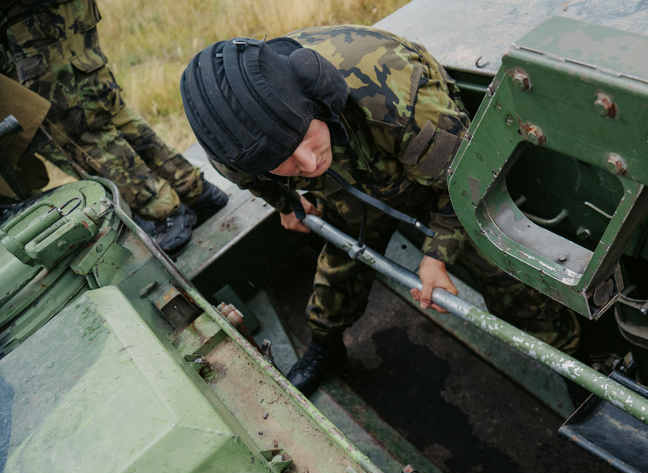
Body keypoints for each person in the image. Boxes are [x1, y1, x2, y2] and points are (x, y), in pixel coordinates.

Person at [180, 25, 581, 395]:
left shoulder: (392, 95)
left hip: (435, 177)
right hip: (349, 184)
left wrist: (437, 256)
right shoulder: (235, 145)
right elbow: (252, 178)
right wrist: (286, 202)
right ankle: (326, 344)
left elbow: (469, 182)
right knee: (337, 272)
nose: (306, 162)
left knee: (506, 274)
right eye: (280, 158)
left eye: (302, 137)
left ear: (315, 92)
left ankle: (573, 363)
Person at [1, 0, 227, 252]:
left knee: (72, 128)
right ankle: (192, 192)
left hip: (29, 17)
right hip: (33, 17)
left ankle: (162, 211)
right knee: (100, 108)